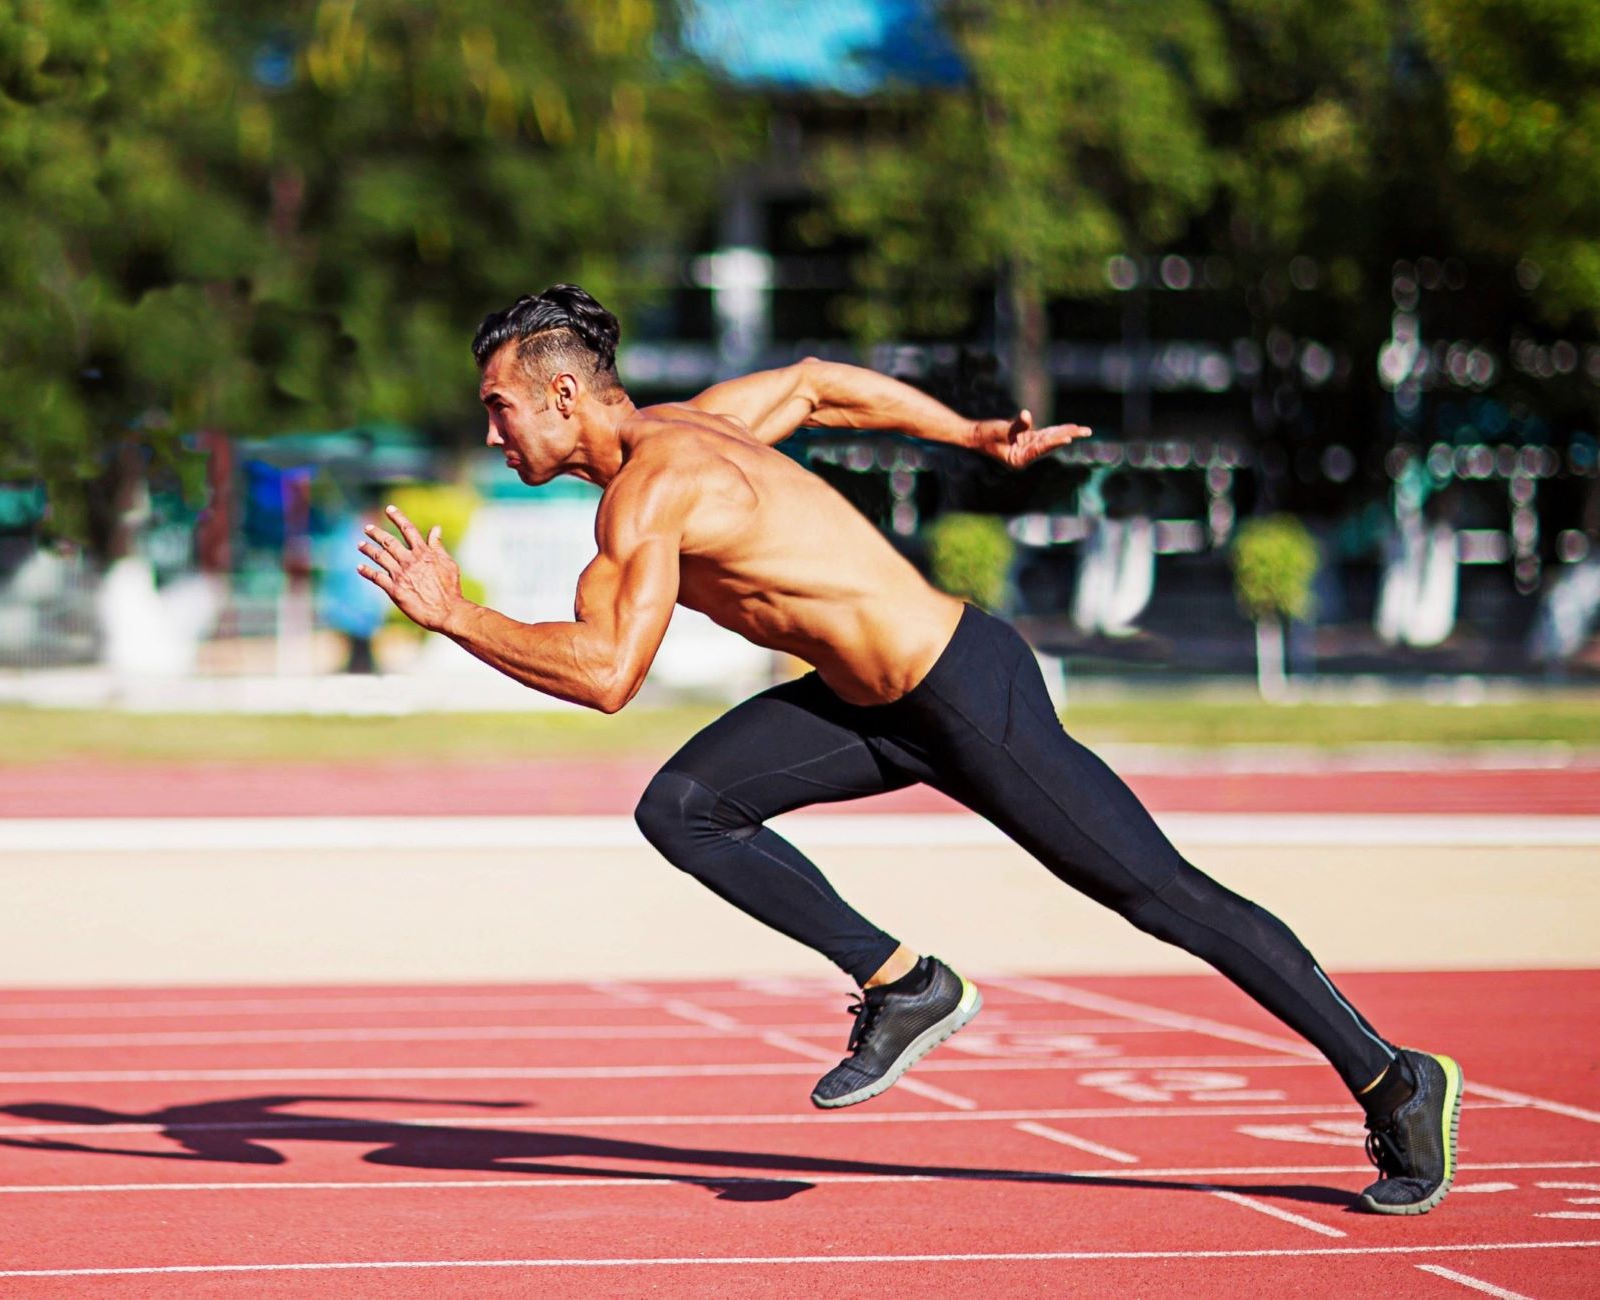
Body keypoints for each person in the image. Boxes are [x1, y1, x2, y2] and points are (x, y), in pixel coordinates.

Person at [354, 283, 1461, 1216]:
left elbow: (606, 675)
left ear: (561, 392)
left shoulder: (659, 484)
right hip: (866, 704)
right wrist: (967, 433)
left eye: (500, 409)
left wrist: (452, 615)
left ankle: (1390, 1076)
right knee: (683, 805)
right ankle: (905, 982)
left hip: (964, 694)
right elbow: (818, 383)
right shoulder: (695, 424)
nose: (494, 435)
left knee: (1163, 894)